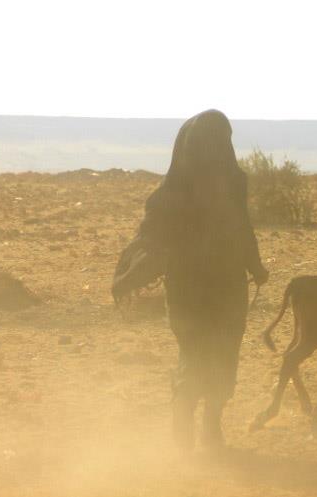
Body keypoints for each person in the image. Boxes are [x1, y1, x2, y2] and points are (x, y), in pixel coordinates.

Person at [112, 109, 268, 448]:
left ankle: (206, 428)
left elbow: (242, 229)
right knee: (204, 354)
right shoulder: (180, 193)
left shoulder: (185, 189)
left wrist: (255, 264)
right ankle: (189, 428)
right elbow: (155, 239)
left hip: (210, 287)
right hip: (202, 288)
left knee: (216, 355)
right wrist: (255, 266)